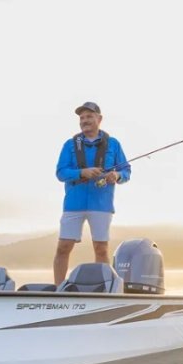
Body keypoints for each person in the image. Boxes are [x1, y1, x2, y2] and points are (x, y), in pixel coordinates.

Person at [53, 101, 131, 285]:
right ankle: (57, 289)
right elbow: (61, 172)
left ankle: (102, 287)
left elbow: (126, 171)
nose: (84, 121)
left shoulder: (113, 144)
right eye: (82, 118)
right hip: (73, 204)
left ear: (99, 119)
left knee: (101, 248)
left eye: (89, 116)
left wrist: (116, 175)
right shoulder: (69, 145)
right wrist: (82, 172)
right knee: (63, 247)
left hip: (102, 205)